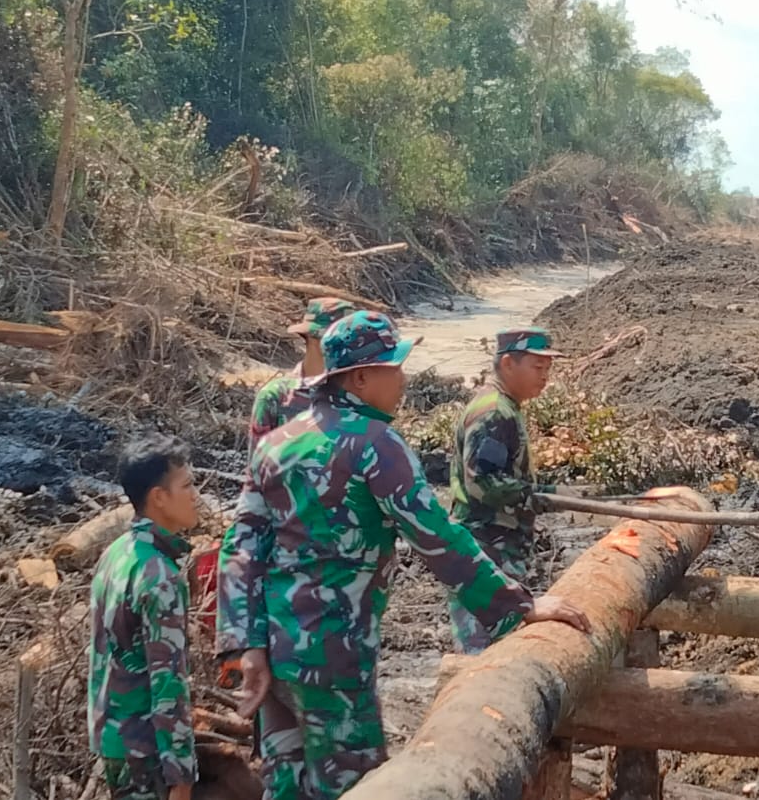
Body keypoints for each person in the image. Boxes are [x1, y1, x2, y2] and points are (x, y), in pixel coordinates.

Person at [216, 310, 590, 800]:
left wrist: (244, 644)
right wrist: (518, 605)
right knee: (353, 786)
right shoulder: (375, 444)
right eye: (395, 368)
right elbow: (435, 537)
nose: (404, 379)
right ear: (361, 377)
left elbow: (240, 547)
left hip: (275, 650)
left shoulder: (277, 445)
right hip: (336, 656)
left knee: (286, 785)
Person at [88, 435, 202, 800]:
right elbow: (168, 686)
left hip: (113, 742)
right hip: (146, 753)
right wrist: (181, 775)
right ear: (158, 497)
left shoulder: (116, 555)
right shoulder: (160, 577)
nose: (196, 494)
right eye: (186, 485)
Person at [447, 327, 564, 653]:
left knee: (497, 646)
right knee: (483, 651)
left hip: (497, 546)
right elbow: (483, 482)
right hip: (486, 549)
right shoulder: (494, 412)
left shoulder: (505, 407)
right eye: (537, 368)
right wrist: (537, 495)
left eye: (548, 370)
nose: (544, 377)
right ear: (509, 364)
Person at [249, 298, 358, 443]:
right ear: (312, 337)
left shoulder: (358, 396)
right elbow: (258, 462)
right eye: (337, 339)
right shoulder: (275, 396)